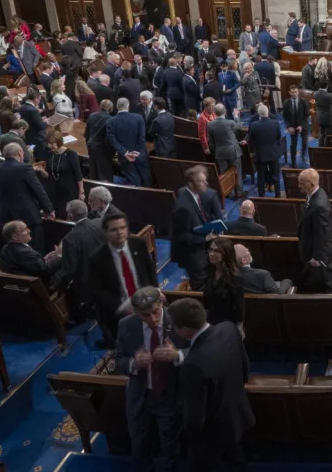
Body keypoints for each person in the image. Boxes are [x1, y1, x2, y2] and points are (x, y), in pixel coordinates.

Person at [168, 298, 254, 472]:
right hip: (238, 414)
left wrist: (188, 435)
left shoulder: (193, 365)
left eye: (174, 327)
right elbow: (245, 369)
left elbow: (195, 417)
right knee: (236, 460)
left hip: (212, 434)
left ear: (185, 329)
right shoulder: (229, 328)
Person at [113, 287, 182, 472]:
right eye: (145, 315)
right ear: (135, 312)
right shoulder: (126, 325)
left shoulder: (179, 320)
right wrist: (133, 363)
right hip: (140, 398)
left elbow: (201, 352)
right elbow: (118, 359)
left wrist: (177, 356)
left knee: (169, 446)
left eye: (155, 312)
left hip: (169, 396)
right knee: (140, 447)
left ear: (162, 304)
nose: (152, 319)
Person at [87, 212, 158, 345]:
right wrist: (124, 306)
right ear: (106, 233)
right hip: (119, 312)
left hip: (147, 302)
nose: (119, 232)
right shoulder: (97, 259)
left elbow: (150, 269)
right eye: (114, 229)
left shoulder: (139, 244)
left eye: (122, 228)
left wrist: (155, 290)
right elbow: (96, 291)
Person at [0, 142, 55, 252]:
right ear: (20, 153)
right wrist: (49, 209)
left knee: (15, 248)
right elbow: (38, 190)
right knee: (35, 248)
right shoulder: (24, 167)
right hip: (28, 216)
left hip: (7, 216)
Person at [171, 165, 224, 290]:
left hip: (199, 245)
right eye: (201, 181)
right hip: (193, 255)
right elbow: (183, 237)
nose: (206, 183)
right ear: (190, 184)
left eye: (205, 179)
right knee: (201, 287)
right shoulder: (183, 207)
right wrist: (206, 238)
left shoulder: (193, 194)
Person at [297, 169, 332, 291]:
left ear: (312, 184)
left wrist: (317, 258)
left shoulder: (319, 206)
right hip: (311, 250)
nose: (299, 186)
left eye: (302, 183)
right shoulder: (316, 193)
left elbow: (322, 233)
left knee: (320, 286)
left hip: (318, 258)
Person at [0, 220, 62, 288]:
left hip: (17, 285)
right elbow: (46, 271)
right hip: (36, 289)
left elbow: (32, 265)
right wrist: (59, 256)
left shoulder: (5, 248)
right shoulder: (24, 253)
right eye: (24, 230)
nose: (29, 231)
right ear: (14, 237)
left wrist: (44, 259)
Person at [106, 98, 151, 187]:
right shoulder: (139, 118)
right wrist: (137, 151)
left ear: (117, 107)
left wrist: (126, 153)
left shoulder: (110, 122)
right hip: (140, 155)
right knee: (146, 178)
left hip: (124, 158)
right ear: (128, 106)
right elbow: (142, 137)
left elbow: (113, 141)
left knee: (133, 181)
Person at [201, 238, 245, 325]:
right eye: (211, 250)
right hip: (209, 322)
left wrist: (239, 326)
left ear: (226, 253)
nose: (212, 254)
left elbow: (239, 306)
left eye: (217, 251)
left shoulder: (235, 277)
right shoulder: (208, 272)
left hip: (227, 323)